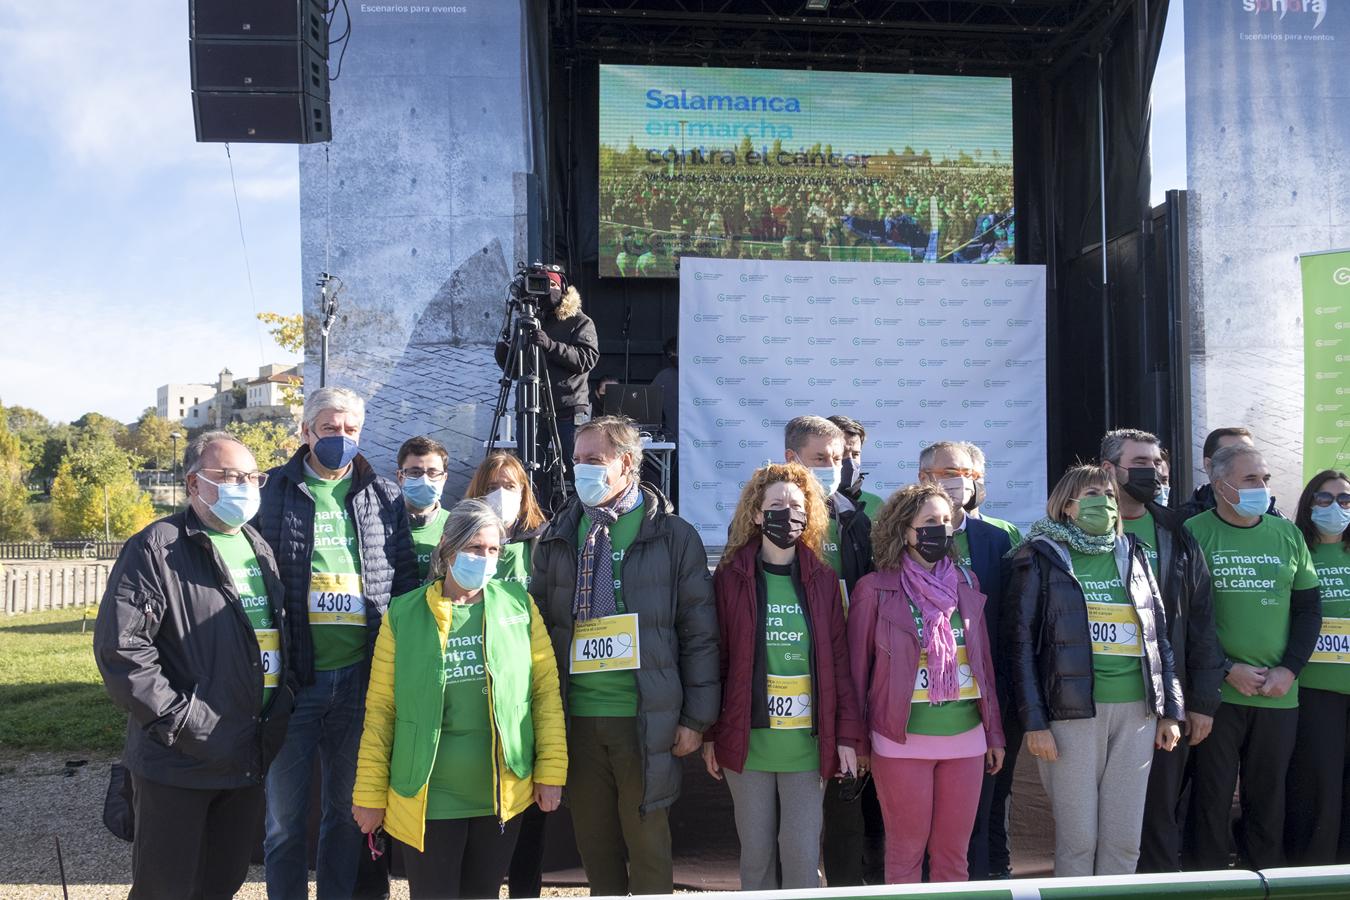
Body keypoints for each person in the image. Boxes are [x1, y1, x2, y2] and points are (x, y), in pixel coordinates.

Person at [94, 432, 295, 899]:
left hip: (246, 749)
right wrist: (182, 722)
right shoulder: (156, 548)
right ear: (194, 484)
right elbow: (122, 652)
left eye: (251, 476)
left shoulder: (257, 547)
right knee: (166, 888)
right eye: (228, 476)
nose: (243, 486)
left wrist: (279, 706)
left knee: (221, 882)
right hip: (179, 758)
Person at [530, 415, 719, 895]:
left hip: (643, 715)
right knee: (596, 847)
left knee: (648, 846)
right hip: (577, 715)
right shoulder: (556, 535)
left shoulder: (673, 536)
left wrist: (696, 719)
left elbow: (698, 632)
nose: (581, 471)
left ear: (627, 463)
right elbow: (537, 629)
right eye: (577, 461)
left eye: (594, 460)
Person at [350, 499, 566, 899]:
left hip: (500, 793)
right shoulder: (403, 614)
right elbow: (381, 711)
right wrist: (368, 794)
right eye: (473, 548)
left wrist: (551, 772)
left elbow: (544, 694)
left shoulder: (519, 606)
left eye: (492, 550)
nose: (484, 559)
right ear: (447, 548)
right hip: (430, 796)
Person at [254, 386, 419, 900]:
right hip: (296, 683)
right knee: (283, 821)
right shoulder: (272, 492)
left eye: (350, 430)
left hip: (360, 683)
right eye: (329, 429)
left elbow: (406, 583)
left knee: (348, 816)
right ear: (306, 432)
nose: (341, 438)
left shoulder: (384, 496)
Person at [1008, 464, 1183, 876]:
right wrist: (1035, 723)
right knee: (1079, 840)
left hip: (1137, 712)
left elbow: (1158, 635)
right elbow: (1020, 647)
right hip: (1071, 717)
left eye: (1108, 495)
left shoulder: (1133, 554)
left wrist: (1170, 710)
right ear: (1066, 506)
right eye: (1091, 495)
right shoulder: (1039, 557)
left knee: (1124, 841)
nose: (1103, 503)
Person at [704, 463, 862, 889]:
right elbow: (715, 660)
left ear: (809, 515)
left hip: (807, 747)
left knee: (801, 852)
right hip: (748, 743)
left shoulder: (824, 580)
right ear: (756, 514)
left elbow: (839, 664)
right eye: (776, 504)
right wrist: (709, 734)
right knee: (756, 857)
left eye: (796, 505)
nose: (786, 513)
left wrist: (847, 736)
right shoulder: (730, 578)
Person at [848, 483, 1006, 883]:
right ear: (905, 530)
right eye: (928, 522)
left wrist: (994, 735)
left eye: (945, 521)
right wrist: (857, 741)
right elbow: (856, 673)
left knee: (954, 857)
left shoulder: (966, 583)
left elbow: (983, 662)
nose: (939, 529)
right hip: (900, 742)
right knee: (905, 853)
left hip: (966, 738)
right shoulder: (874, 589)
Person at [1185, 443, 1321, 870]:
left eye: (1264, 479)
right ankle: (1208, 884)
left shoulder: (1288, 534)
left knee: (1268, 799)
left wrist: (1290, 669)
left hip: (1278, 693)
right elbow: (1181, 617)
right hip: (1218, 696)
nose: (1262, 487)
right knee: (1212, 797)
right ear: (1219, 484)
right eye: (1250, 480)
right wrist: (1226, 670)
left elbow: (1307, 610)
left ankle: (1266, 880)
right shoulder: (1193, 531)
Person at [1098, 429, 1224, 874]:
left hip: (1162, 703)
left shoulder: (1177, 532)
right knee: (1093, 825)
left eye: (1155, 464)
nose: (1151, 473)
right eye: (1140, 463)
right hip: (1095, 705)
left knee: (1156, 820)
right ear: (1109, 470)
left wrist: (1202, 702)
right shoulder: (1074, 531)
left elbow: (1203, 622)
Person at [783, 414, 877, 885]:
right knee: (791, 827)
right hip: (789, 680)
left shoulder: (855, 521)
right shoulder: (768, 517)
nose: (832, 467)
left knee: (846, 814)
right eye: (820, 459)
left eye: (837, 459)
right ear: (791, 459)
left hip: (845, 681)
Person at [916, 441, 1015, 879]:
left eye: (968, 475)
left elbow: (1011, 617)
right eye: (947, 473)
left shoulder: (998, 538)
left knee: (987, 806)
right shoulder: (899, 533)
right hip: (921, 701)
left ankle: (989, 878)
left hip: (986, 693)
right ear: (924, 480)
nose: (959, 483)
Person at [463, 451, 552, 898]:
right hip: (474, 691)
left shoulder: (546, 540)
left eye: (512, 485)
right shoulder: (461, 543)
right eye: (493, 484)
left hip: (528, 691)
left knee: (529, 815)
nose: (502, 494)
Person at [1284, 470, 1350, 864]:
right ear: (1308, 505)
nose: (1336, 506)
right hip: (1312, 690)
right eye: (1324, 499)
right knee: (1317, 787)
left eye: (1344, 499)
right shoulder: (1295, 551)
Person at [495, 267, 599, 484]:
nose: (544, 292)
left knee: (577, 469)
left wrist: (551, 346)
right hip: (531, 407)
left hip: (568, 409)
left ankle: (582, 514)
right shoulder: (527, 322)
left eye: (550, 285)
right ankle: (536, 515)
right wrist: (504, 353)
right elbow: (515, 371)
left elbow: (587, 359)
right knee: (531, 474)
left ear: (562, 289)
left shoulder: (580, 321)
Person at [1178, 427, 1282, 520]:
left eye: (1249, 453)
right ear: (1209, 466)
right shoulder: (1185, 524)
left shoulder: (1277, 521)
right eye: (1230, 455)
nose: (1246, 461)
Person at [398, 435, 450, 581]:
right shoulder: (379, 523)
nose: (425, 480)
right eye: (415, 472)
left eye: (433, 473)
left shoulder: (455, 525)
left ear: (444, 478)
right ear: (400, 477)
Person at [962, 442, 1023, 546]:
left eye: (976, 476)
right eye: (965, 476)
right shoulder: (938, 533)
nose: (970, 484)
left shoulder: (1007, 530)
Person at [828, 414, 886, 517]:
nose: (850, 461)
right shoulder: (803, 501)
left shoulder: (876, 504)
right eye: (842, 453)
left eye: (855, 454)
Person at [650, 337, 679, 439]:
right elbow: (649, 407)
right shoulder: (665, 377)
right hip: (672, 438)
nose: (674, 356)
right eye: (670, 354)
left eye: (676, 352)